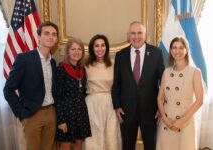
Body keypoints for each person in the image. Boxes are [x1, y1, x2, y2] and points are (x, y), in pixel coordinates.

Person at [3, 21, 58, 150]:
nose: (50, 37)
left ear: (56, 39)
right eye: (47, 33)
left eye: (54, 34)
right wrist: (21, 113)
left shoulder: (53, 62)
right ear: (38, 37)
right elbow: (8, 89)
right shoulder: (24, 59)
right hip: (32, 114)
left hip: (51, 113)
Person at [112, 21, 165, 150]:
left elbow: (164, 83)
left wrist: (161, 106)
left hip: (150, 111)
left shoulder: (156, 53)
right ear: (128, 36)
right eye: (133, 33)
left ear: (145, 35)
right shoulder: (120, 55)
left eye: (140, 33)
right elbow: (116, 83)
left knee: (150, 145)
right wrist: (117, 106)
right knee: (127, 146)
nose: (136, 36)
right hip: (126, 110)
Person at [156, 36, 204, 150]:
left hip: (185, 122)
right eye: (174, 48)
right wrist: (164, 118)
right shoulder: (166, 72)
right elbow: (159, 98)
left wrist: (182, 120)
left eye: (181, 48)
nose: (177, 51)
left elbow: (200, 100)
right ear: (171, 50)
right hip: (166, 122)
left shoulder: (195, 72)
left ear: (186, 50)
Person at [84, 34, 121, 150]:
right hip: (91, 105)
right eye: (96, 46)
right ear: (92, 48)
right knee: (94, 137)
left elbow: (120, 86)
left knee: (111, 135)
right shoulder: (85, 65)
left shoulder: (114, 63)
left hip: (110, 104)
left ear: (106, 47)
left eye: (103, 45)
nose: (100, 49)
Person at [55, 38, 91, 150]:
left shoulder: (82, 69)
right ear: (67, 52)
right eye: (73, 49)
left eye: (79, 49)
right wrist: (61, 120)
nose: (76, 52)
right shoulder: (61, 69)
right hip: (66, 112)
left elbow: (83, 91)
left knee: (79, 144)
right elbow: (58, 96)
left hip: (80, 111)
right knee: (66, 144)